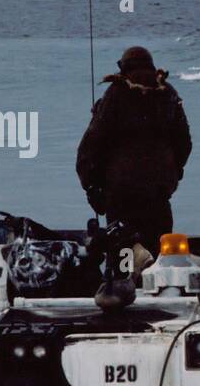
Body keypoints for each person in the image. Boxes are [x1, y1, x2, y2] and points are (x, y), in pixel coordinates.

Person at [76, 46, 192, 256]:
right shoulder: (168, 93)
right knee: (159, 255)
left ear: (123, 67)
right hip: (158, 193)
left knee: (122, 253)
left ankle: (125, 282)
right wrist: (175, 172)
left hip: (121, 193)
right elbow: (184, 142)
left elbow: (91, 145)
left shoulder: (116, 93)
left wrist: (91, 186)